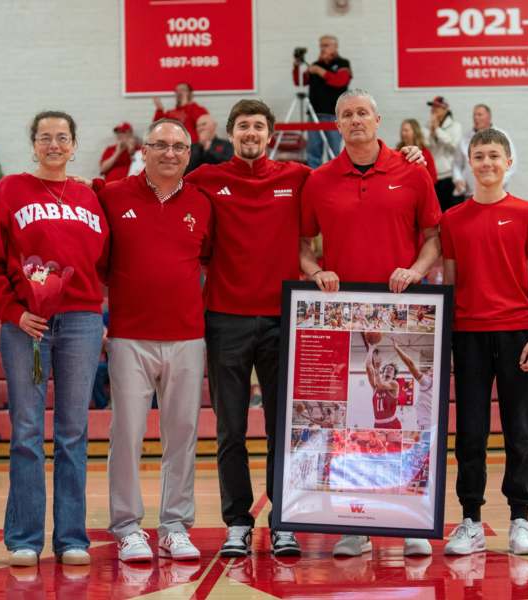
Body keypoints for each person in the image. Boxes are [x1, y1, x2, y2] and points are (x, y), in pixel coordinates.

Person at [300, 88, 442, 559]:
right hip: (343, 321)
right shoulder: (319, 180)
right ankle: (353, 523)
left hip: (403, 316)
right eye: (346, 115)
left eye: (362, 112)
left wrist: (416, 272)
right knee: (350, 425)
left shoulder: (413, 172)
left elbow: (434, 239)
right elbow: (303, 244)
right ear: (336, 125)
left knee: (407, 428)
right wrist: (316, 271)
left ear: (378, 119)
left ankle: (410, 521)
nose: (355, 120)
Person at [0, 110, 109, 568]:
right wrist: (14, 313)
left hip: (81, 320)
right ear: (33, 144)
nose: (54, 144)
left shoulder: (90, 196)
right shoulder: (10, 190)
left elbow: (105, 263)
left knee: (74, 432)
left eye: (62, 137)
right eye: (45, 137)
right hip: (26, 326)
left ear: (75, 144)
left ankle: (72, 536)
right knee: (28, 432)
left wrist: (99, 312)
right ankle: (24, 538)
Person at [185, 99, 311, 558]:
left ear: (270, 133)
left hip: (283, 319)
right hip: (225, 320)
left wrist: (412, 156)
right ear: (231, 134)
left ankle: (285, 521)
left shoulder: (297, 177)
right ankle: (237, 520)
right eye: (243, 126)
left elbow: (345, 180)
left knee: (284, 428)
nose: (251, 133)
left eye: (258, 125)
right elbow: (150, 183)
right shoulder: (206, 179)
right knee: (230, 430)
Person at [98, 118, 211, 563]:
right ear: (143, 150)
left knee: (181, 435)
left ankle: (174, 525)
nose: (170, 153)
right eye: (160, 145)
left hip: (187, 335)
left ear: (189, 153)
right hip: (129, 336)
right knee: (126, 435)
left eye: (179, 146)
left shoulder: (203, 202)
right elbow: (99, 263)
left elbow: (207, 258)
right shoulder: (112, 196)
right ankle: (126, 527)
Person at [441, 128, 528, 557]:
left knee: (519, 433)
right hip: (467, 336)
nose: (486, 163)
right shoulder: (452, 219)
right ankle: (470, 520)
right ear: (470, 161)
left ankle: (520, 519)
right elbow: (449, 281)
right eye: (479, 156)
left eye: (494, 156)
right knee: (470, 434)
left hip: (516, 333)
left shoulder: (527, 213)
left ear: (507, 161)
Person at [292, 35, 352, 168]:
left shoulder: (343, 63)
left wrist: (320, 71)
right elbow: (299, 81)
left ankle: (334, 179)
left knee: (333, 152)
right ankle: (314, 178)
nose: (322, 49)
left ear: (335, 47)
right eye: (321, 46)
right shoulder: (315, 65)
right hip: (314, 114)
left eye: (326, 45)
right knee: (313, 152)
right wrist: (296, 66)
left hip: (334, 115)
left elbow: (340, 81)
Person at [453, 105, 517, 199]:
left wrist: (495, 183)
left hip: (497, 194)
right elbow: (457, 164)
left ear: (489, 117)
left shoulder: (502, 136)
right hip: (471, 194)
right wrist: (458, 179)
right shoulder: (465, 139)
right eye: (474, 115)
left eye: (479, 115)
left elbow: (512, 164)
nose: (476, 118)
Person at [424, 96, 462, 212]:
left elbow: (454, 146)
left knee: (448, 211)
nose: (433, 110)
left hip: (448, 176)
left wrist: (437, 130)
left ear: (445, 109)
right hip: (432, 176)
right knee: (434, 211)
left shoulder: (455, 126)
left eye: (437, 107)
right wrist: (431, 132)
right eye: (432, 107)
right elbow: (426, 146)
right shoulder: (428, 125)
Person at [392, 339, 433, 431]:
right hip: (428, 423)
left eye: (430, 369)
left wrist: (397, 348)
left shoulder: (428, 381)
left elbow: (410, 364)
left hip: (426, 425)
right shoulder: (434, 386)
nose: (428, 370)